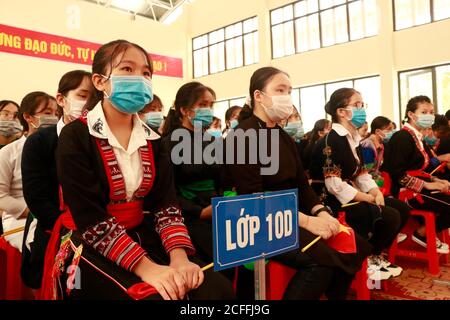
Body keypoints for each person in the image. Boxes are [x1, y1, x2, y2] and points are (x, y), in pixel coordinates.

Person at [43, 40, 233, 300]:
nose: (139, 79)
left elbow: (165, 203)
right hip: (89, 241)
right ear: (100, 81)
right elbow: (90, 217)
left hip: (140, 232)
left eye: (145, 73)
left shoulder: (152, 138)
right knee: (154, 296)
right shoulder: (76, 135)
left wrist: (179, 257)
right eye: (127, 69)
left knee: (216, 288)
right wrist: (149, 269)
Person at [224, 67, 371, 300]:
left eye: (289, 91)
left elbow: (302, 186)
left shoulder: (283, 137)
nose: (287, 97)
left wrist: (321, 213)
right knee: (321, 262)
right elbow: (253, 197)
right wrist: (306, 221)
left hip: (292, 215)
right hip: (261, 220)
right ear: (258, 96)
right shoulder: (243, 136)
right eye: (279, 90)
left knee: (357, 246)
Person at [309, 88, 406, 281]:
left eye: (363, 104)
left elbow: (361, 174)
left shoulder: (354, 139)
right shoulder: (331, 140)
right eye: (357, 105)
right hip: (329, 199)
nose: (362, 109)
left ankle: (376, 254)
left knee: (400, 209)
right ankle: (368, 259)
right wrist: (368, 198)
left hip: (350, 192)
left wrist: (375, 191)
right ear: (341, 112)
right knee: (389, 215)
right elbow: (334, 185)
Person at [20, 70, 93, 290]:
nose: (88, 103)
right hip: (52, 229)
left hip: (95, 230)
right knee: (53, 287)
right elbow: (37, 198)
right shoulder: (39, 142)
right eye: (82, 95)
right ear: (61, 99)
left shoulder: (97, 139)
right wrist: (68, 231)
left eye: (94, 98)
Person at [161, 82, 222, 266]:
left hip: (216, 210)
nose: (208, 110)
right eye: (203, 105)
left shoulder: (212, 141)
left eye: (211, 105)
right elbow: (166, 190)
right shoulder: (168, 144)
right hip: (189, 217)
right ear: (185, 110)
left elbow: (220, 179)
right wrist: (199, 212)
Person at [383, 96, 450, 254]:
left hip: (419, 187)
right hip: (405, 192)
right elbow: (397, 173)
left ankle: (426, 232)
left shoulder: (418, 138)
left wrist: (436, 180)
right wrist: (427, 184)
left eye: (431, 112)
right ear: (411, 115)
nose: (429, 115)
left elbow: (423, 169)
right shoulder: (402, 137)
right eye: (424, 112)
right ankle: (423, 233)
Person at [0, 92, 58, 252]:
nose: (53, 118)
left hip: (55, 213)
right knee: (44, 246)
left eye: (56, 113)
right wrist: (34, 211)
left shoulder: (61, 147)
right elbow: (1, 197)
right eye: (47, 113)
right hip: (21, 218)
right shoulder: (8, 152)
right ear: (28, 117)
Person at [360, 116, 410, 244]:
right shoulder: (367, 146)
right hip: (364, 187)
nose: (391, 132)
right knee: (393, 211)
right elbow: (365, 171)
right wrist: (376, 181)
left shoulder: (381, 145)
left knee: (402, 208)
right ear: (377, 131)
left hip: (374, 183)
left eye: (392, 129)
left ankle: (389, 237)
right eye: (388, 129)